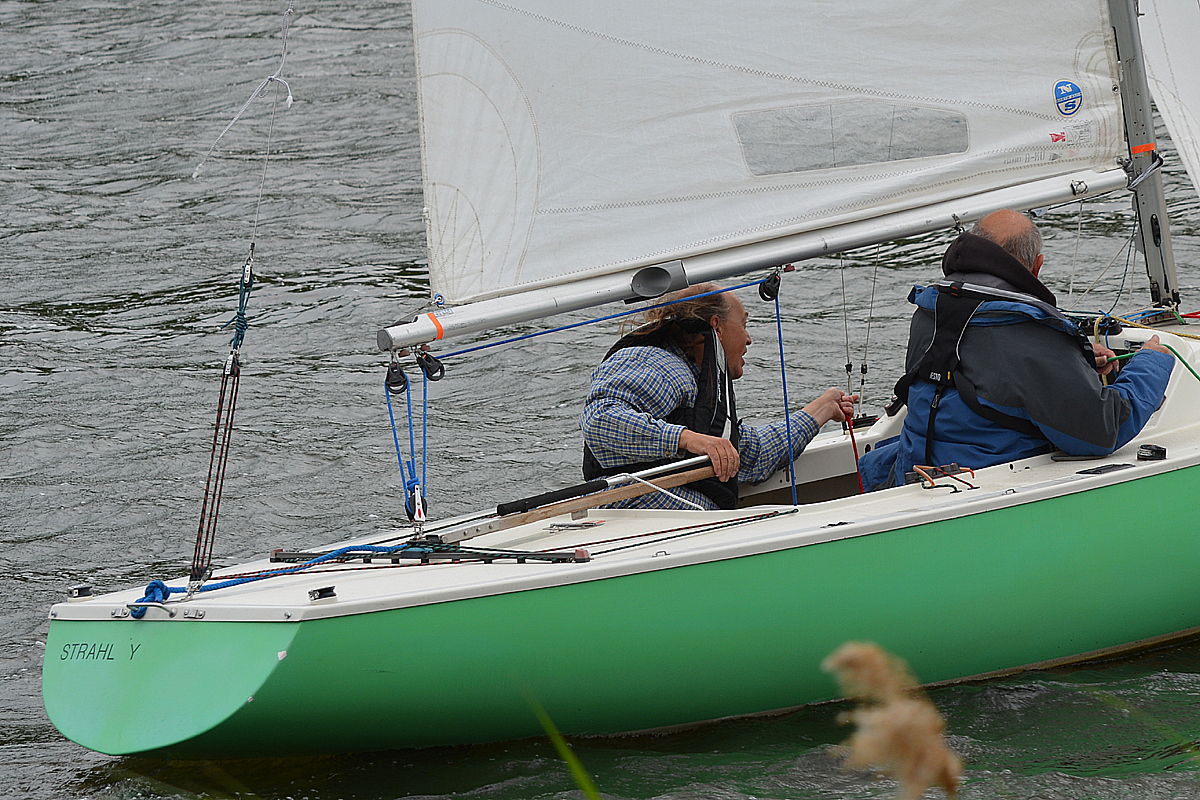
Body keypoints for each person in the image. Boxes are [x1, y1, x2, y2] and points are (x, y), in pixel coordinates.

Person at [858, 209, 1175, 490]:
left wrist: (1073, 358)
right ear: (1037, 266)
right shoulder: (1030, 331)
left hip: (912, 474)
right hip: (983, 486)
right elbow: (1103, 429)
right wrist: (1152, 362)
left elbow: (980, 367)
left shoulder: (929, 310)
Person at [580, 283, 856, 510]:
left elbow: (754, 455)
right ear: (717, 327)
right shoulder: (661, 364)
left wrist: (823, 408)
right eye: (744, 324)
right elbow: (600, 421)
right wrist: (688, 439)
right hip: (634, 520)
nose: (748, 339)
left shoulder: (699, 383)